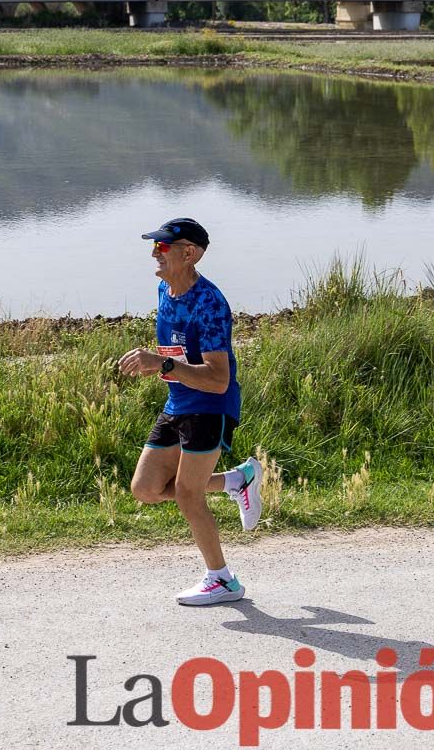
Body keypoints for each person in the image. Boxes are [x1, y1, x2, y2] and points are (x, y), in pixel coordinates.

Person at [118, 218, 263, 606]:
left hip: (211, 405)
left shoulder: (210, 304)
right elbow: (177, 351)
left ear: (190, 253)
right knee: (145, 489)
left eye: (164, 247)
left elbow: (218, 379)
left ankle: (223, 579)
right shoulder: (165, 289)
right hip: (178, 401)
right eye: (155, 246)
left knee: (186, 494)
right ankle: (237, 481)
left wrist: (162, 366)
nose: (155, 253)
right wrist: (161, 365)